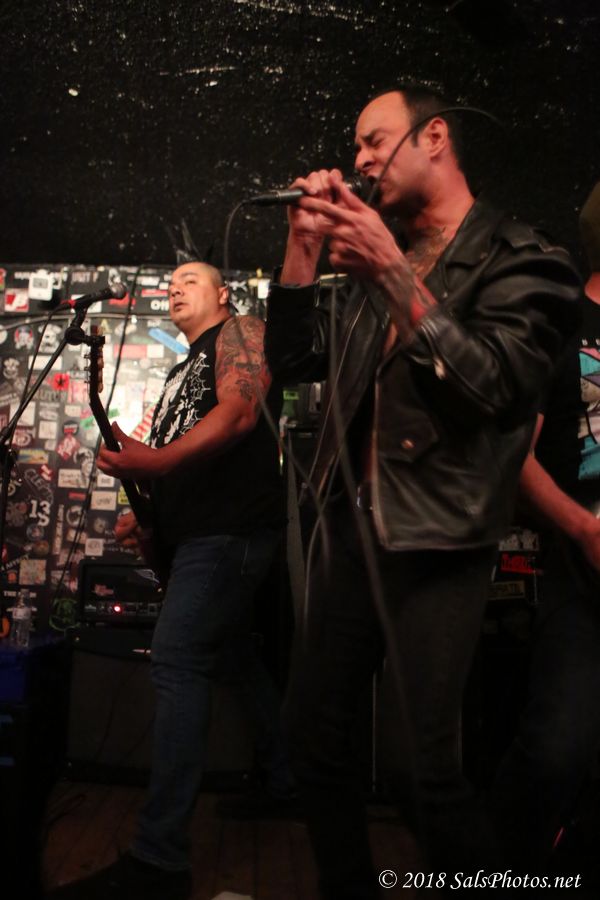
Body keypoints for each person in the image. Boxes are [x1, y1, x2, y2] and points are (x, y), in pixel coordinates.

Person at [264, 85, 581, 898]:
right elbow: (294, 364)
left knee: (420, 771)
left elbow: (495, 389)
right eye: (357, 147)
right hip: (352, 525)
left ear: (433, 137)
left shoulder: (525, 258)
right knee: (313, 738)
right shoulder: (384, 254)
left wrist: (389, 270)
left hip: (440, 537)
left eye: (375, 141)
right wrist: (302, 248)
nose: (360, 160)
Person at [50, 261, 291, 900]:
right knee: (235, 657)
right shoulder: (181, 371)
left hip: (230, 533)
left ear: (224, 293)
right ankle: (286, 780)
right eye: (171, 282)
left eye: (191, 279)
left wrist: (155, 462)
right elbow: (191, 457)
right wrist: (151, 514)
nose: (175, 287)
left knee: (178, 658)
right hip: (197, 536)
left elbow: (240, 414)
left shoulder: (242, 331)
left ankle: (160, 860)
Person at [490, 181, 600, 884]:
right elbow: (512, 459)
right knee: (556, 747)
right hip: (581, 565)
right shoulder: (561, 326)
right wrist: (584, 530)